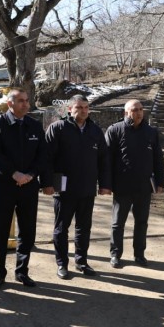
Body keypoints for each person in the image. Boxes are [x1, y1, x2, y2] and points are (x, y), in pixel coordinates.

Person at [0, 87, 51, 290]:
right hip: (5, 186)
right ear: (10, 103)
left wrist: (31, 175)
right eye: (21, 100)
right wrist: (14, 174)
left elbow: (43, 155)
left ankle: (22, 272)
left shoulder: (34, 126)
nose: (26, 104)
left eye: (27, 100)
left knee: (27, 232)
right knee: (1, 233)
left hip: (29, 187)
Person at [45, 95, 112, 279]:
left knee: (84, 228)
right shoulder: (58, 128)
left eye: (86, 107)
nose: (83, 110)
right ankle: (62, 264)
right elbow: (47, 158)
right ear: (69, 109)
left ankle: (81, 261)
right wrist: (47, 183)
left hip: (87, 189)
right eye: (79, 107)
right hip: (63, 189)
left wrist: (105, 184)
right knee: (61, 229)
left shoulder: (95, 131)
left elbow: (104, 160)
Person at [105, 99, 164, 268]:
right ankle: (115, 254)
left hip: (143, 187)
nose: (139, 112)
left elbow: (158, 159)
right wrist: (106, 184)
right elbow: (106, 160)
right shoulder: (115, 130)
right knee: (118, 223)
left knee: (142, 222)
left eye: (140, 109)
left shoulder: (151, 132)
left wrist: (161, 181)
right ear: (126, 113)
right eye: (134, 110)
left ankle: (139, 254)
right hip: (122, 186)